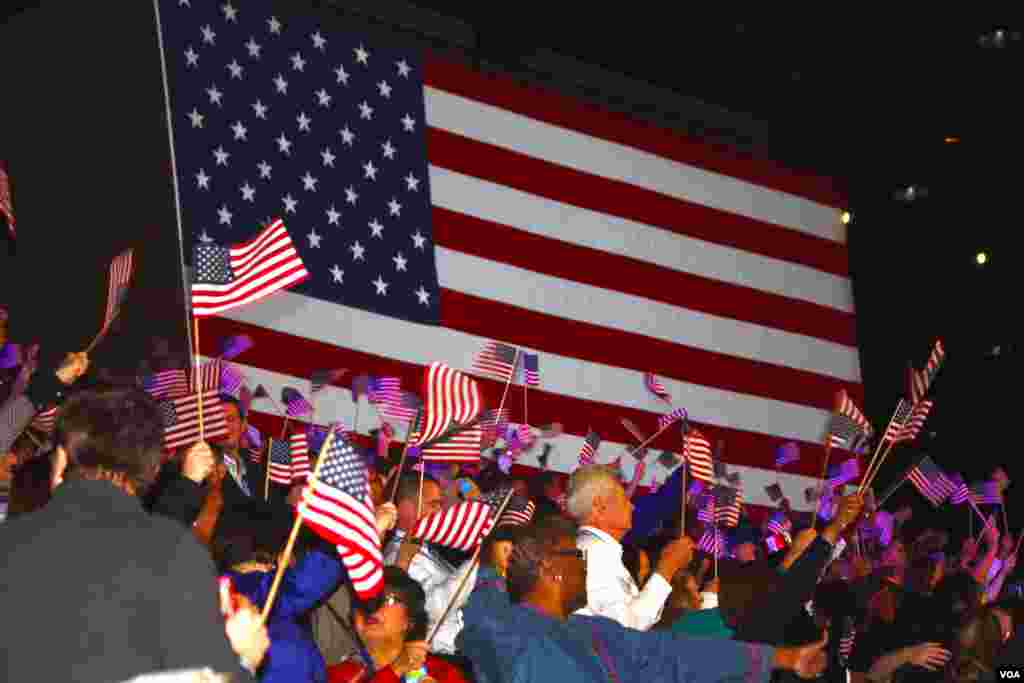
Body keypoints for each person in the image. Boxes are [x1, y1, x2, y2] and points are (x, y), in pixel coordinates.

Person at [0, 387, 268, 681]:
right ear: (152, 470)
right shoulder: (175, 554)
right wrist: (243, 658)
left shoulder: (10, 543)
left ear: (61, 461)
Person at [458, 515, 830, 683]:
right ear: (552, 569)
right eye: (578, 557)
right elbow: (480, 615)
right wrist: (491, 567)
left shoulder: (593, 633)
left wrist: (781, 657)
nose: (585, 568)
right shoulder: (508, 629)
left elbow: (675, 655)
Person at [565, 464, 691, 630]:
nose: (631, 506)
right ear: (599, 506)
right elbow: (624, 630)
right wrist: (667, 568)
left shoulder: (596, 551)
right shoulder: (596, 555)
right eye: (624, 499)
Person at [328, 567, 470, 683]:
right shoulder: (334, 675)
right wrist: (395, 670)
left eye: (387, 599)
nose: (370, 608)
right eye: (362, 601)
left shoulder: (442, 673)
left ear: (410, 620)